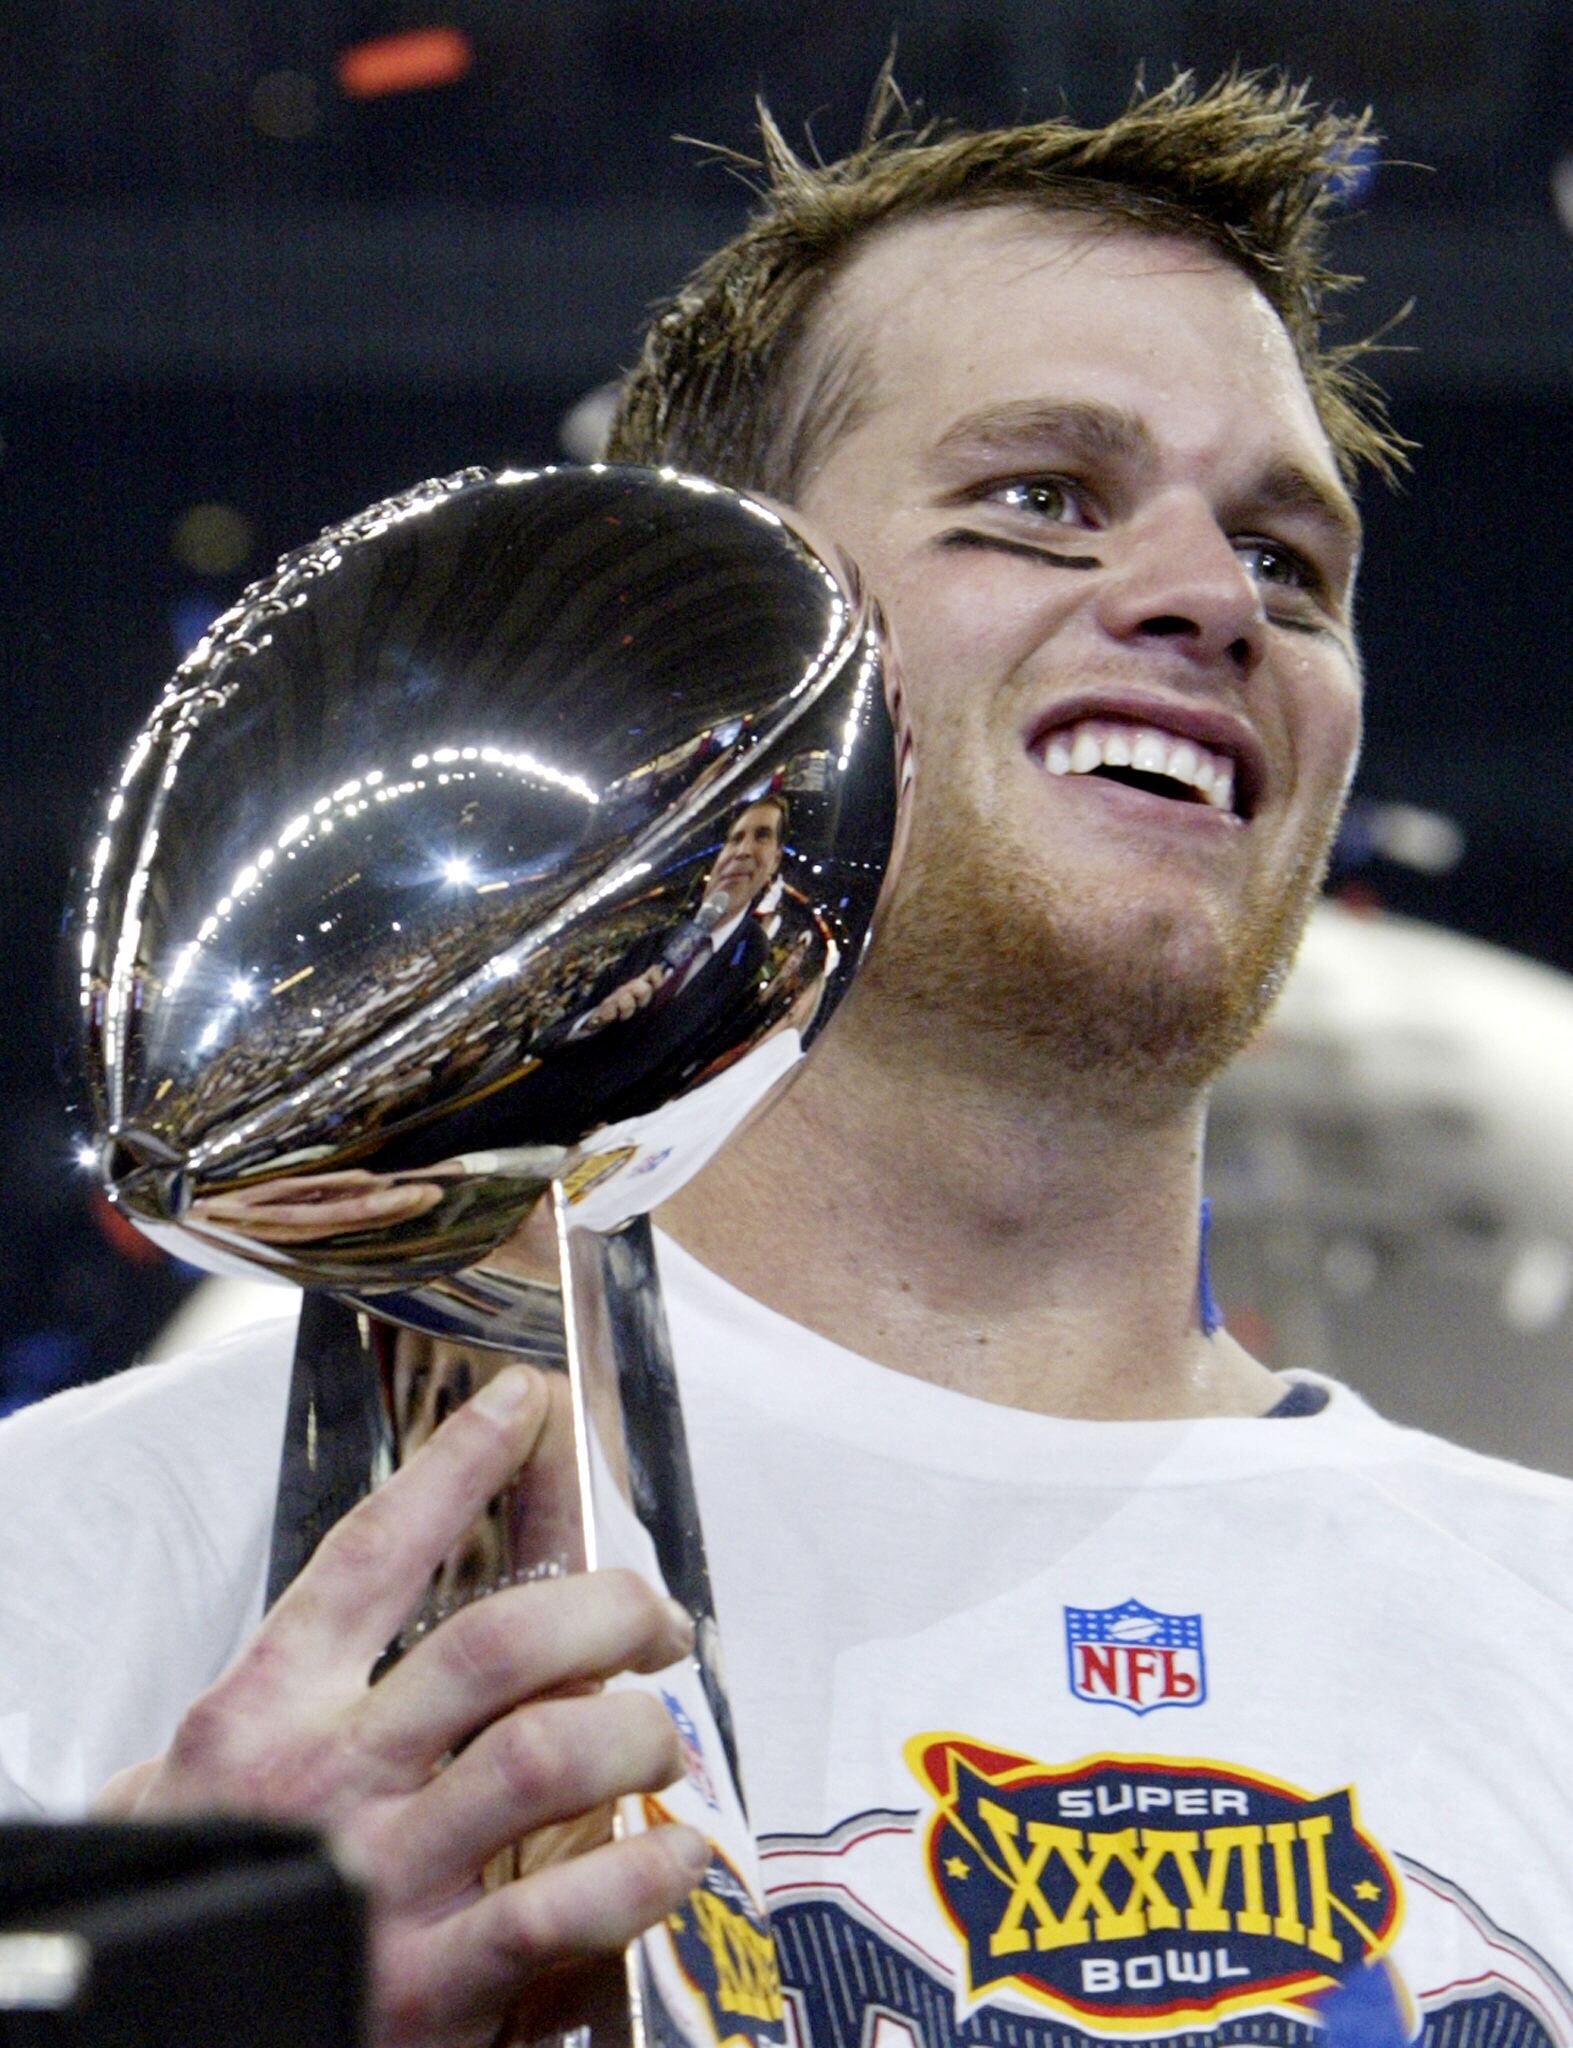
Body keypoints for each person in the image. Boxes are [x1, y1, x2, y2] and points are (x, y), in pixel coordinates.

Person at [4, 67, 1573, 2048]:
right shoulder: (122, 1560)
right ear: (709, 635)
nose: (1202, 599)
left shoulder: (1547, 1628)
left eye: (1288, 559)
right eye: (1040, 499)